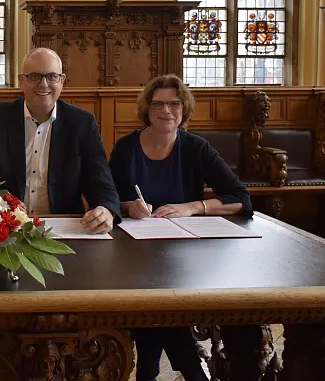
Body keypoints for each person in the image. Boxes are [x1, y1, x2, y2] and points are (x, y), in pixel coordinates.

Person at [108, 74, 252, 381]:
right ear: (147, 109)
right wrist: (127, 206)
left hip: (185, 256)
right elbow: (106, 199)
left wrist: (193, 207)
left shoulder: (196, 148)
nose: (166, 111)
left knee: (157, 311)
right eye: (158, 104)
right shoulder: (125, 148)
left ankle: (149, 370)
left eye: (174, 104)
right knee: (159, 304)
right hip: (134, 255)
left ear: (184, 109)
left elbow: (240, 199)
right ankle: (188, 368)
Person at [0, 47, 121, 233]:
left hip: (64, 229)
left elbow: (100, 181)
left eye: (52, 76)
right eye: (34, 76)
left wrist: (106, 209)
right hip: (5, 228)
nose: (44, 84)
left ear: (62, 81)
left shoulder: (82, 123)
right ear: (21, 82)